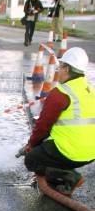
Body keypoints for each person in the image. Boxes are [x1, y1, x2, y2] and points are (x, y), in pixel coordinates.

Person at [18, 47, 95, 195]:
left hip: (70, 152)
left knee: (31, 159)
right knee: (49, 150)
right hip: (91, 154)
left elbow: (42, 127)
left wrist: (31, 145)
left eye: (60, 67)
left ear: (66, 68)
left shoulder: (60, 93)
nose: (58, 71)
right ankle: (64, 175)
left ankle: (69, 176)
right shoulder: (91, 90)